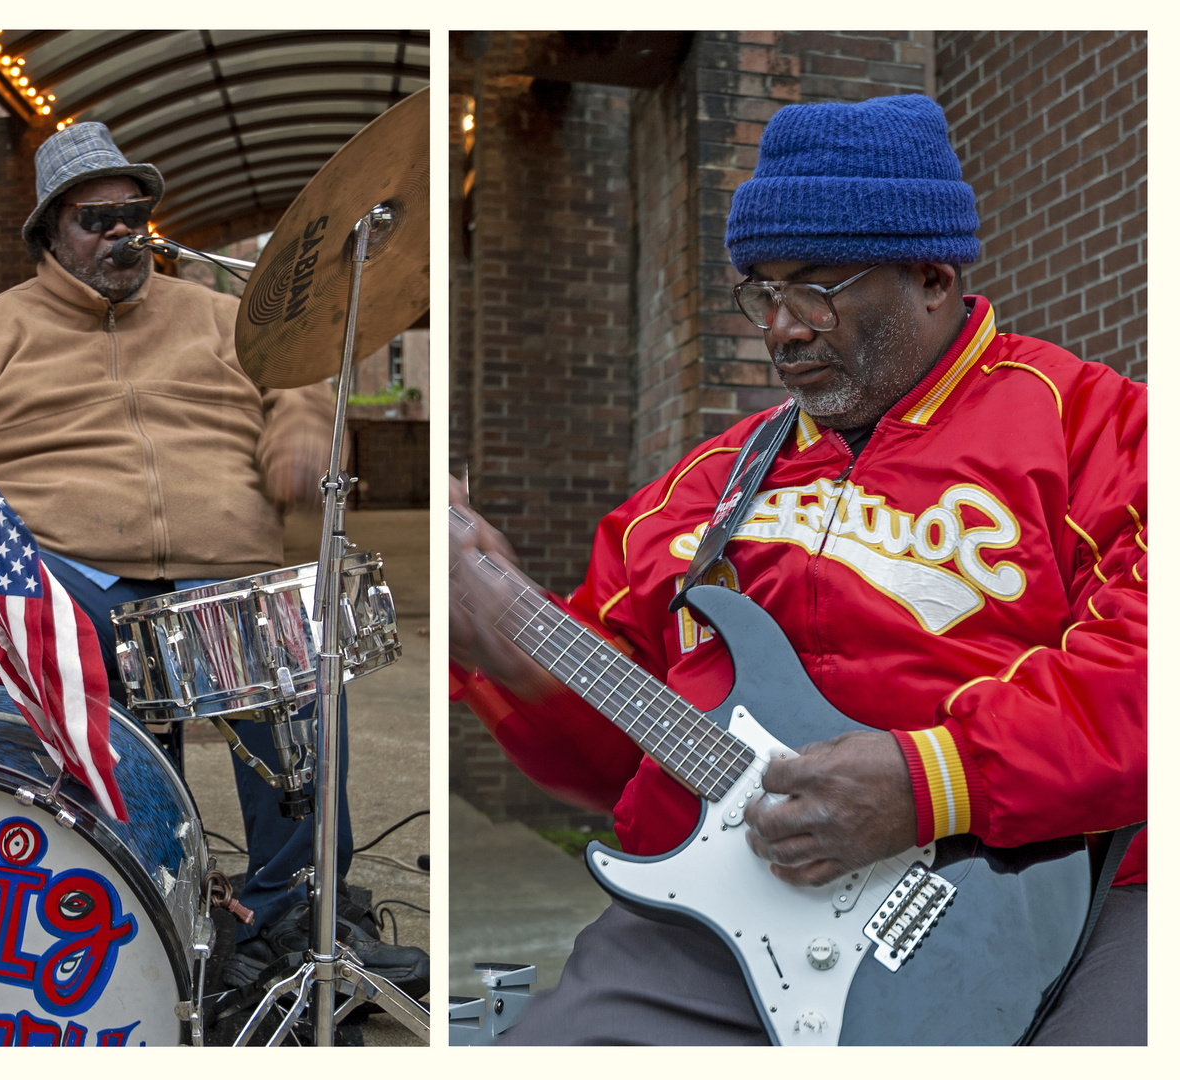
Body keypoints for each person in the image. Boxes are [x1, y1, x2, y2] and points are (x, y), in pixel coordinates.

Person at [450, 94, 1145, 1045]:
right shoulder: (695, 494)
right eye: (762, 291)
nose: (778, 328)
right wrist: (512, 658)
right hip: (725, 916)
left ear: (932, 276)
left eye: (813, 289)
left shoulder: (1095, 427)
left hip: (1058, 894)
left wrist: (931, 780)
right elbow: (619, 761)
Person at [0, 122, 426, 999]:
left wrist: (302, 432)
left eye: (133, 214)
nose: (122, 232)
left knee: (298, 668)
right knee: (84, 683)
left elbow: (304, 388)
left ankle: (297, 916)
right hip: (69, 572)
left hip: (224, 570)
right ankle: (145, 909)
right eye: (96, 219)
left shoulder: (229, 318)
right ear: (50, 235)